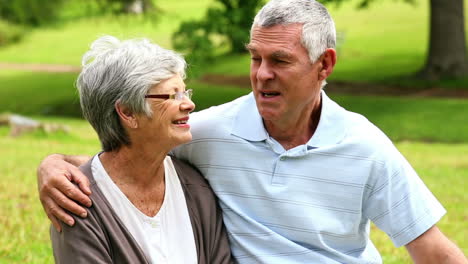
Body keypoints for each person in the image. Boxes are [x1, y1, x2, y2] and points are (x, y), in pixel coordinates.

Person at [38, 0, 467, 263]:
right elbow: (128, 159)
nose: (261, 75)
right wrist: (52, 165)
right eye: (254, 58)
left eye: (279, 61)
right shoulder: (207, 132)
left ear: (325, 65)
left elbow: (430, 248)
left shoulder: (365, 146)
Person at [47, 35, 232, 263]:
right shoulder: (76, 202)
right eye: (173, 95)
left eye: (185, 92)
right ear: (128, 112)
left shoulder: (196, 189)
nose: (189, 104)